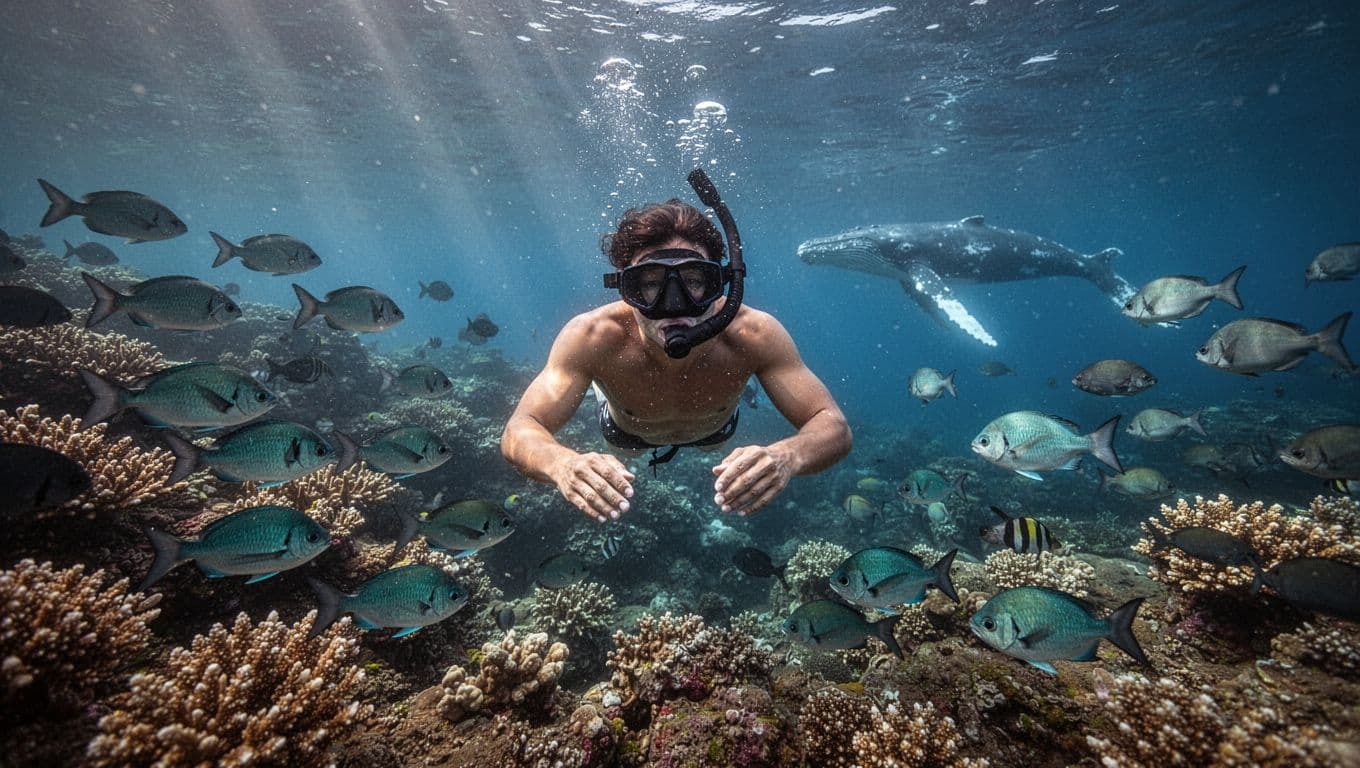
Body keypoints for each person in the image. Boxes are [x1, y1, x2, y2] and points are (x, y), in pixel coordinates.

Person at [501, 173, 851, 522]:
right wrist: (562, 464)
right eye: (650, 284)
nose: (674, 304)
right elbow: (519, 429)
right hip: (626, 433)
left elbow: (834, 427)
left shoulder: (753, 334)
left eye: (694, 282)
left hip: (715, 432)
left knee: (712, 441)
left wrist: (787, 457)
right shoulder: (593, 337)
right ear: (625, 288)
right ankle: (602, 390)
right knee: (626, 446)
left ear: (720, 283)